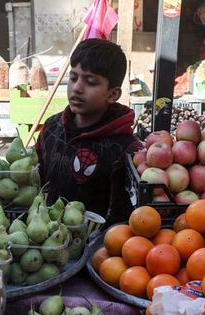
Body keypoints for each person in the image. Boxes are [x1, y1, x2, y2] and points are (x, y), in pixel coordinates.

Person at [35, 39, 141, 225]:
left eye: (90, 82)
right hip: (46, 238)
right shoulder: (52, 128)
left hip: (98, 248)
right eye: (73, 78)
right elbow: (36, 181)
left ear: (113, 94)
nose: (77, 88)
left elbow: (124, 218)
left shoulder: (125, 150)